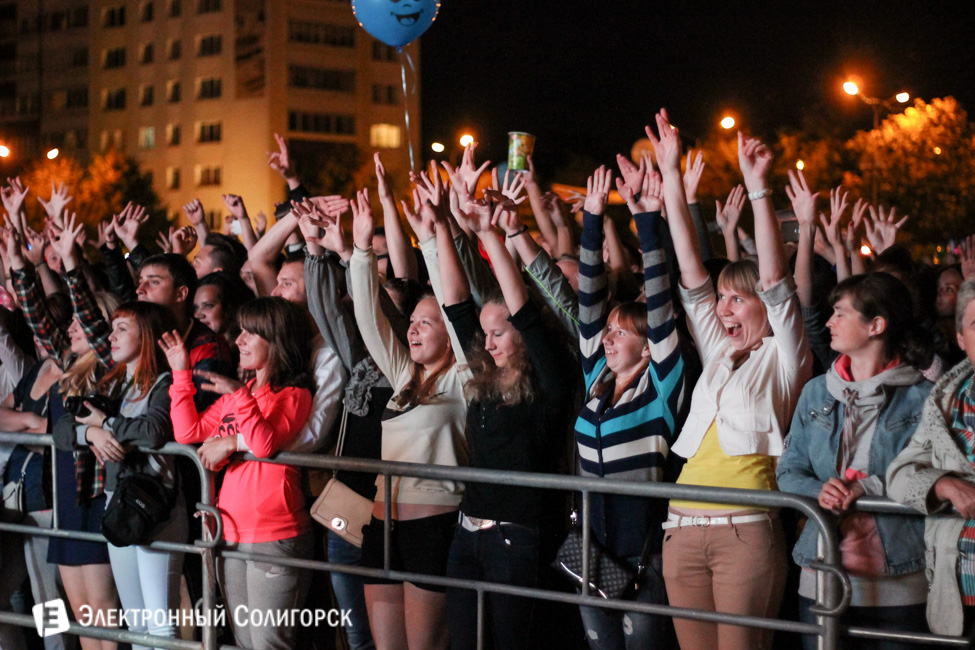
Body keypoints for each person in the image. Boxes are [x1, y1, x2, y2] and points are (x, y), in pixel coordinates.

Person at [645, 111, 813, 650]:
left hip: (745, 531)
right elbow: (689, 268)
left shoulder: (786, 356)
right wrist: (670, 175)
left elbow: (775, 279)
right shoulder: (719, 351)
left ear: (765, 306)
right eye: (721, 299)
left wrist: (758, 188)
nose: (722, 309)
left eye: (737, 299)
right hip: (680, 528)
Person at [419, 173, 578, 650]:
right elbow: (455, 304)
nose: (487, 343)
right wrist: (441, 225)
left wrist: (491, 233)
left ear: (523, 336)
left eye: (499, 333)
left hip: (517, 538)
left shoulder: (549, 379)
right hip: (468, 532)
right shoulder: (486, 377)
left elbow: (524, 311)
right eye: (485, 334)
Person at [777, 271, 933, 649]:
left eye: (840, 313)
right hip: (822, 573)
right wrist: (819, 490)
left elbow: (934, 476)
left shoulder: (925, 396)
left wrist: (868, 487)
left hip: (900, 578)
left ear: (876, 325)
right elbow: (788, 470)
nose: (829, 322)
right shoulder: (816, 392)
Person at [349, 189, 469, 650]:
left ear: (449, 334)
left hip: (432, 531)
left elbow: (457, 311)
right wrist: (361, 250)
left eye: (427, 322)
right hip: (383, 528)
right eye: (413, 321)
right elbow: (368, 317)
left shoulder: (463, 378)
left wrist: (434, 241)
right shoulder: (403, 375)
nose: (414, 329)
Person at [573, 164, 685, 650]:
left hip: (641, 552)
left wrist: (647, 224)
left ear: (648, 347)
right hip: (591, 550)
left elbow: (660, 309)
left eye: (622, 332)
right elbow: (588, 303)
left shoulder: (661, 389)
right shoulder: (595, 381)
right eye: (610, 330)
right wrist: (592, 220)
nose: (609, 338)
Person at [163, 296, 316, 650]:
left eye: (250, 333)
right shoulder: (241, 393)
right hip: (229, 530)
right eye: (240, 331)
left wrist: (234, 425)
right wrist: (181, 374)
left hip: (275, 534)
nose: (239, 340)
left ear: (276, 340)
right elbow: (187, 432)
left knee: (268, 644)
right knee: (245, 642)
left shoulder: (293, 393)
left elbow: (264, 444)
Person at [7, 223, 122, 650]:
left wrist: (70, 261)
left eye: (79, 321)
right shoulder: (65, 368)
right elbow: (36, 318)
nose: (71, 326)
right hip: (61, 500)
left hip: (90, 497)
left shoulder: (108, 369)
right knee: (79, 613)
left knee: (102, 614)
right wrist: (18, 261)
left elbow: (89, 319)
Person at [54, 301, 186, 650]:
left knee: (161, 626)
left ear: (147, 336)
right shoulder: (112, 385)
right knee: (137, 625)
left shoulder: (164, 382)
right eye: (112, 329)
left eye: (122, 329)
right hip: (118, 502)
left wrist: (106, 423)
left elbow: (154, 431)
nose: (111, 337)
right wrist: (91, 434)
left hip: (156, 506)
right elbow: (62, 430)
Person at [887, 278, 975, 636]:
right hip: (960, 594)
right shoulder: (944, 403)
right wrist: (944, 485)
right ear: (961, 339)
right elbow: (898, 474)